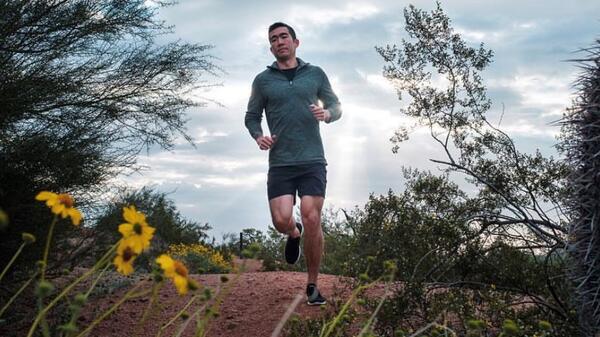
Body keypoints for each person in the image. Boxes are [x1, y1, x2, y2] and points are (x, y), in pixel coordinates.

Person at [244, 22, 342, 305]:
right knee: (281, 220)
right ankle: (293, 232)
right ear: (271, 47)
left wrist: (327, 113)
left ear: (295, 42)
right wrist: (258, 136)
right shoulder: (262, 81)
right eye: (273, 39)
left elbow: (336, 105)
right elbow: (251, 116)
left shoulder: (315, 74)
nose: (279, 42)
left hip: (312, 159)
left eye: (284, 36)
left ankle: (312, 286)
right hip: (281, 162)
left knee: (312, 215)